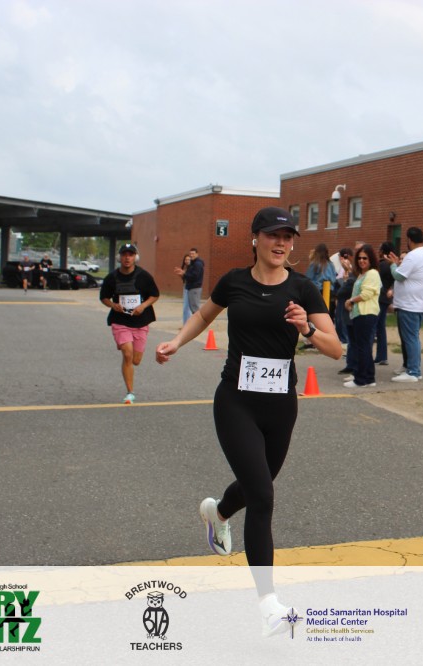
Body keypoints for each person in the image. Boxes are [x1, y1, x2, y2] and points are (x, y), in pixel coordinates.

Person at [155, 207, 341, 637]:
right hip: (236, 401)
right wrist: (177, 342)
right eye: (274, 235)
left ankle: (217, 512)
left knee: (258, 486)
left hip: (281, 406)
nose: (282, 243)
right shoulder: (234, 281)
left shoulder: (303, 288)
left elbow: (336, 349)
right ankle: (269, 605)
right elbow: (204, 316)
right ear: (255, 238)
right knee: (262, 497)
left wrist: (307, 330)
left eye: (288, 237)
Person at [99, 243, 160, 404]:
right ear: (119, 257)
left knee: (135, 360)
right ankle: (130, 393)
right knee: (127, 354)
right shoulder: (112, 277)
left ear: (135, 257)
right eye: (124, 255)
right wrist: (113, 305)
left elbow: (155, 295)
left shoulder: (144, 276)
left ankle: (128, 350)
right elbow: (103, 297)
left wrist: (143, 306)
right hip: (120, 321)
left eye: (130, 255)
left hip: (140, 321)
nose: (127, 258)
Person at [385, 227, 423, 382]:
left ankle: (413, 371)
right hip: (419, 303)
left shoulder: (413, 256)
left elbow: (399, 276)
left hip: (409, 304)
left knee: (410, 338)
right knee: (410, 337)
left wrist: (393, 265)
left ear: (409, 240)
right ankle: (409, 366)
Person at [344, 245, 381, 387]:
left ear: (371, 259)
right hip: (359, 314)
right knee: (364, 347)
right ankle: (369, 378)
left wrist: (351, 301)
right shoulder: (362, 274)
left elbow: (366, 294)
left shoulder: (372, 273)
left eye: (365, 258)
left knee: (362, 348)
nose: (361, 260)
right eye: (359, 258)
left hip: (366, 314)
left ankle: (360, 380)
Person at [374, 241, 396, 366]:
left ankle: (381, 355)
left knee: (376, 326)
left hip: (379, 298)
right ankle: (382, 356)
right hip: (385, 299)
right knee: (381, 327)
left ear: (382, 251)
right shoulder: (392, 265)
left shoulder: (381, 265)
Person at [177, 248, 205, 318]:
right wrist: (183, 274)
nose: (191, 255)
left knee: (195, 309)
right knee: (193, 308)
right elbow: (189, 275)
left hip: (194, 288)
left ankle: (199, 322)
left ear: (197, 254)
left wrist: (184, 273)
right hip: (191, 288)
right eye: (190, 254)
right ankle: (196, 322)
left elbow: (194, 276)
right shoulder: (193, 263)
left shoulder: (197, 264)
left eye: (193, 254)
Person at [175, 253, 192, 325]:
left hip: (190, 288)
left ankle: (188, 324)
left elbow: (191, 277)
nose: (187, 261)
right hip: (185, 287)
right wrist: (181, 275)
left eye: (188, 259)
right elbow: (184, 279)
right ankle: (185, 324)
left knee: (188, 307)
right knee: (185, 306)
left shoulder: (192, 268)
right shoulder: (185, 268)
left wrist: (184, 273)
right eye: (186, 259)